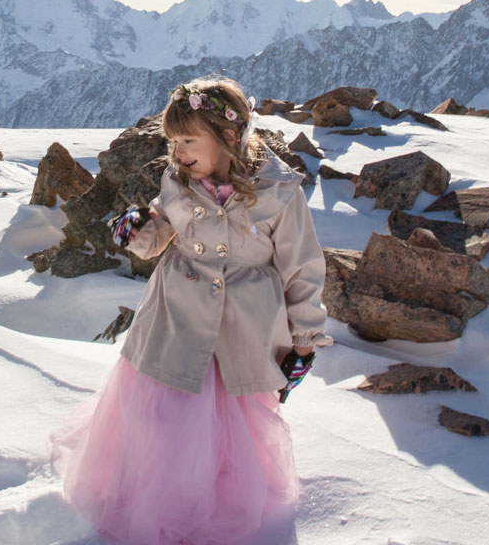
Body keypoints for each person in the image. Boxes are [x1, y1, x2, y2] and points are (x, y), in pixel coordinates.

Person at [50, 76, 330, 544]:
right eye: (172, 142)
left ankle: (220, 499)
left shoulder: (279, 193)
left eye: (187, 141)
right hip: (177, 320)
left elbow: (303, 268)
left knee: (233, 424)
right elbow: (161, 232)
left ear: (228, 137)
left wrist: (304, 340)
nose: (177, 153)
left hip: (244, 330)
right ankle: (161, 498)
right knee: (170, 418)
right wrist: (140, 232)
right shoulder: (178, 180)